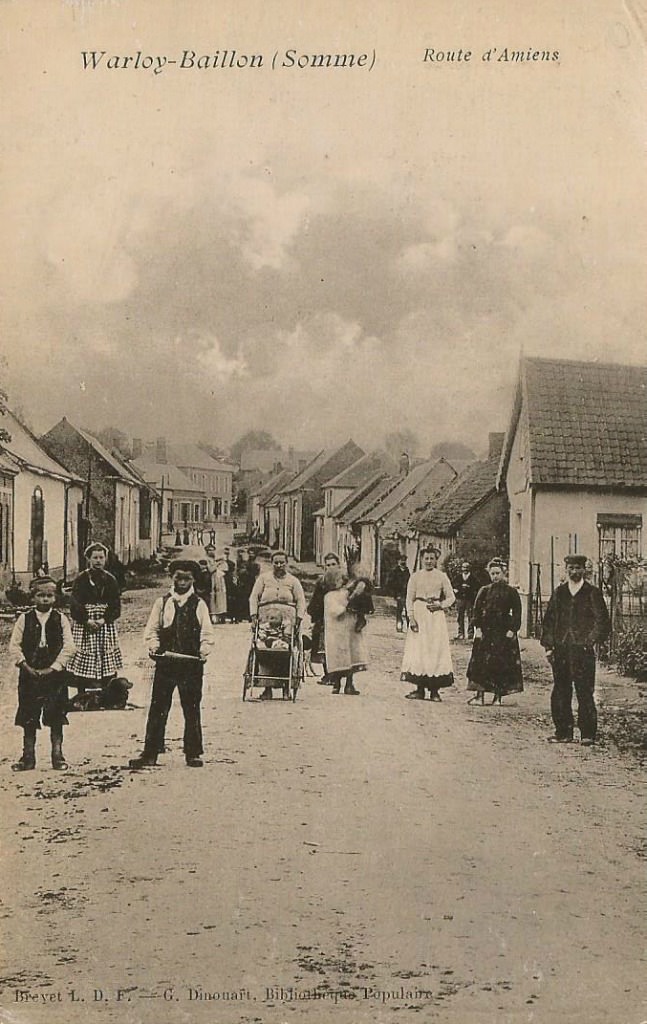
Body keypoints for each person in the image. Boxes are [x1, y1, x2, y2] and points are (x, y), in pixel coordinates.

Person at [129, 560, 215, 768]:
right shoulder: (162, 603)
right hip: (166, 663)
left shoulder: (199, 604)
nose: (182, 582)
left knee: (191, 707)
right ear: (172, 578)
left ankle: (193, 753)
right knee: (158, 707)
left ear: (193, 580)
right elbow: (152, 629)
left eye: (187, 578)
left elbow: (207, 632)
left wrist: (203, 651)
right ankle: (150, 752)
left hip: (190, 664)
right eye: (179, 578)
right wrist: (154, 646)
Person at [540, 554, 611, 745]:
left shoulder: (592, 593)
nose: (574, 572)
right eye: (570, 568)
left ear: (584, 570)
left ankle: (587, 733)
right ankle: (563, 732)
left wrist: (589, 641)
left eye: (578, 568)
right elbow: (549, 621)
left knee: (584, 690)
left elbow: (602, 622)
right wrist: (549, 646)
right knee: (561, 689)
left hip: (583, 651)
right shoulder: (559, 593)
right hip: (561, 649)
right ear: (566, 570)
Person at [9, 576, 76, 771]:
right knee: (29, 714)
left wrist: (54, 667)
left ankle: (58, 755)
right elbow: (14, 645)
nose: (45, 599)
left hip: (55, 674)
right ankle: (28, 757)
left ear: (55, 597)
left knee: (56, 713)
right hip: (29, 673)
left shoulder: (61, 619)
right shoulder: (24, 618)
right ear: (32, 597)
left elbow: (69, 646)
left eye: (49, 595)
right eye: (40, 595)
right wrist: (25, 666)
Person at [68, 543, 124, 697]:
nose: (98, 561)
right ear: (88, 559)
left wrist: (104, 619)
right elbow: (75, 603)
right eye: (95, 558)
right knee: (84, 655)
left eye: (101, 557)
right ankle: (82, 692)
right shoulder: (81, 579)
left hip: (104, 624)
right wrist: (86, 620)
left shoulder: (111, 580)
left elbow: (115, 605)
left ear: (105, 559)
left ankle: (107, 691)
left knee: (106, 654)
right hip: (85, 624)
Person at [249, 550, 306, 699]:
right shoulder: (263, 579)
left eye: (282, 562)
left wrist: (298, 619)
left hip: (287, 621)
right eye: (276, 562)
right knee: (265, 649)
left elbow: (301, 600)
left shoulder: (293, 581)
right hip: (266, 619)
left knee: (285, 650)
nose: (279, 565)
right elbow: (254, 597)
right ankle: (266, 687)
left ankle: (287, 687)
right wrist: (254, 617)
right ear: (271, 563)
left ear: (286, 563)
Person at [400, 547, 456, 701]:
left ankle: (434, 691)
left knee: (434, 650)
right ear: (421, 559)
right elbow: (409, 599)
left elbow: (451, 597)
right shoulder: (415, 577)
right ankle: (419, 689)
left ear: (436, 560)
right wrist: (411, 617)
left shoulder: (442, 577)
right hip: (419, 614)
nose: (429, 561)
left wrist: (441, 605)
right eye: (426, 558)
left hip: (435, 617)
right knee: (419, 650)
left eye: (432, 558)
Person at [466, 559, 523, 705]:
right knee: (481, 663)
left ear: (504, 573)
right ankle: (479, 696)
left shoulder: (511, 592)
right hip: (486, 631)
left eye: (498, 573)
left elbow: (517, 613)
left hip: (502, 632)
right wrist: (478, 628)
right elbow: (476, 611)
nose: (495, 576)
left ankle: (498, 697)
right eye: (492, 574)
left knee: (501, 663)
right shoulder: (484, 590)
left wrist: (512, 629)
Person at [323, 566, 370, 694]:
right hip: (336, 631)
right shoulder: (329, 596)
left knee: (351, 657)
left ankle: (349, 684)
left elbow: (355, 599)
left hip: (349, 630)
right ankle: (336, 683)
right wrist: (347, 605)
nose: (343, 581)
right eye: (339, 579)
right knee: (339, 659)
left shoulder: (345, 592)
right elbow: (334, 611)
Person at [307, 551, 342, 683]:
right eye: (328, 565)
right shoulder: (321, 582)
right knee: (324, 646)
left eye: (333, 564)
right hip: (324, 618)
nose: (331, 567)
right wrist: (315, 614)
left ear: (338, 565)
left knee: (339, 647)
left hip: (340, 617)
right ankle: (328, 674)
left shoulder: (344, 582)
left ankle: (337, 676)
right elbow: (316, 600)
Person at [453, 561, 480, 641]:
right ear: (461, 568)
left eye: (467, 567)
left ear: (469, 569)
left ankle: (470, 633)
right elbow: (453, 586)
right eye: (464, 567)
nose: (465, 569)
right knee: (460, 616)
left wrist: (470, 589)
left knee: (470, 616)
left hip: (469, 600)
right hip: (460, 599)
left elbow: (477, 588)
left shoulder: (473, 578)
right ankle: (460, 633)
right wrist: (457, 590)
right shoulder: (458, 577)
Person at [386, 554, 410, 632]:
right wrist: (395, 594)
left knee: (408, 611)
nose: (403, 562)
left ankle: (409, 627)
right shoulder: (394, 571)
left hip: (407, 594)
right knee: (399, 611)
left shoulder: (407, 571)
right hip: (399, 594)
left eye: (404, 560)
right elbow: (390, 584)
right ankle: (399, 626)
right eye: (401, 560)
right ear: (398, 561)